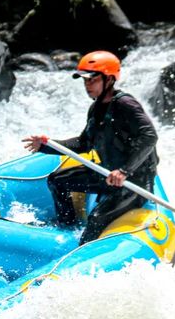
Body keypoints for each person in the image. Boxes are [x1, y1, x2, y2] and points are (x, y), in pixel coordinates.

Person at [23, 50, 159, 245]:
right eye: (85, 81)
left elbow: (150, 136)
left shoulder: (126, 104)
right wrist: (45, 146)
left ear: (109, 80)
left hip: (133, 182)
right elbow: (83, 143)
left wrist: (124, 171)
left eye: (92, 80)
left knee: (96, 218)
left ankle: (80, 251)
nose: (87, 85)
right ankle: (67, 228)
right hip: (106, 174)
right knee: (57, 181)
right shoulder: (96, 108)